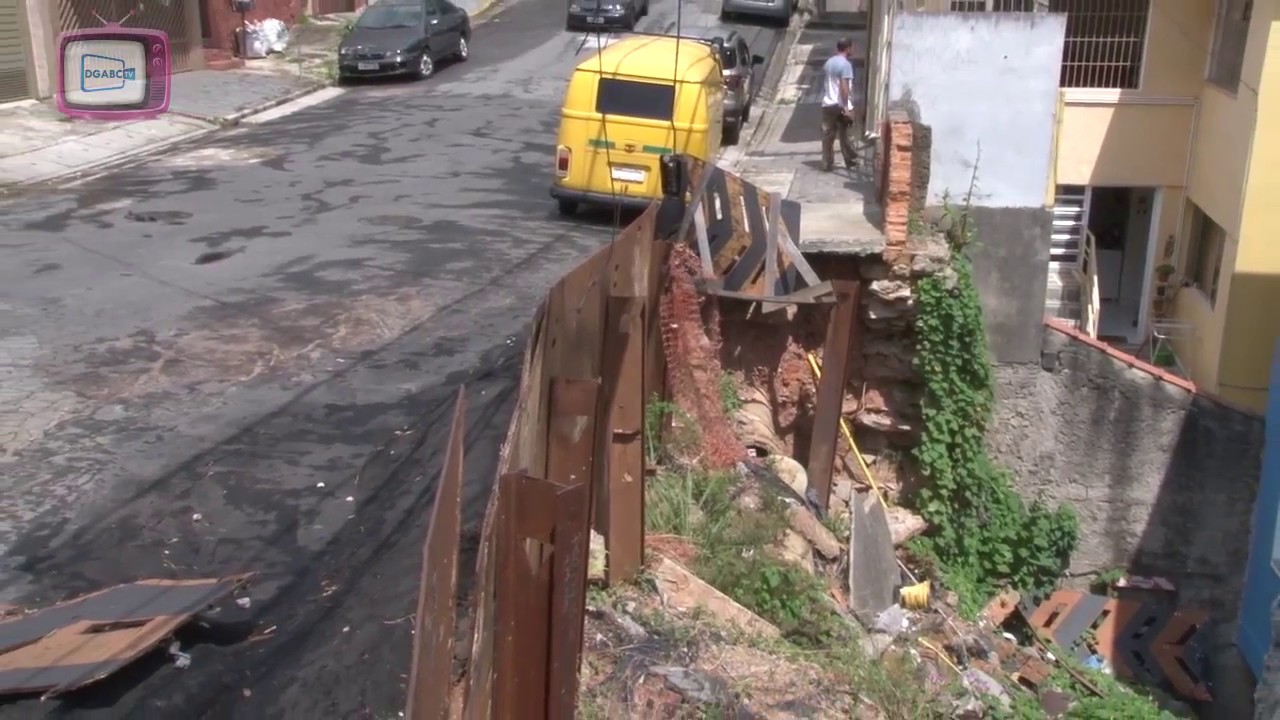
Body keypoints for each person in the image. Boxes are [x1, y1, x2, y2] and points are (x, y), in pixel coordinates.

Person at [820, 37, 858, 172]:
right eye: (852, 47)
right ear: (848, 49)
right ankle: (851, 160)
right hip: (840, 105)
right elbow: (844, 87)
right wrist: (846, 107)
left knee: (827, 136)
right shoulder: (846, 65)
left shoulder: (828, 63)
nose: (853, 50)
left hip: (827, 104)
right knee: (846, 134)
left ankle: (826, 162)